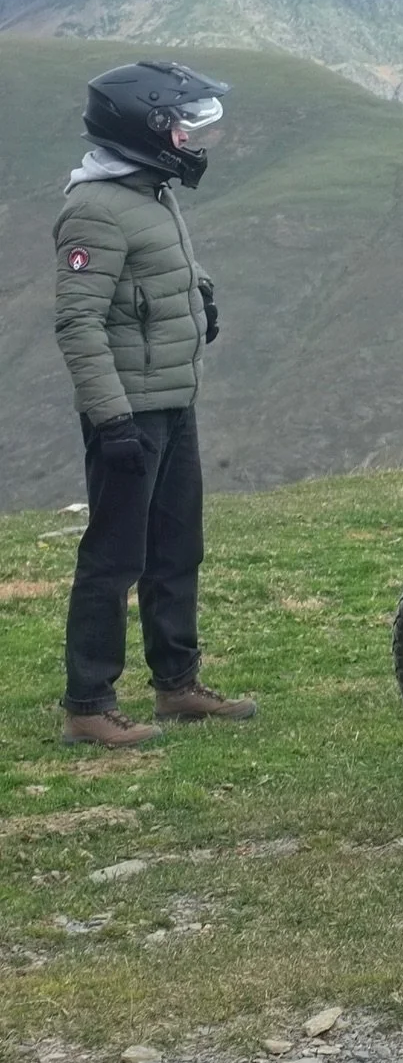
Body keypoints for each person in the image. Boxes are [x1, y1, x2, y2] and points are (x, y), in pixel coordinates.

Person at [53, 59, 256, 746]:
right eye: (181, 125)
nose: (193, 141)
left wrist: (199, 295)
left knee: (176, 547)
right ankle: (88, 704)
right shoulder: (94, 207)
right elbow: (79, 322)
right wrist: (110, 419)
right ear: (143, 128)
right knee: (114, 557)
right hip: (129, 412)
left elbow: (159, 268)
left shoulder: (149, 191)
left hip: (172, 397)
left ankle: (178, 687)